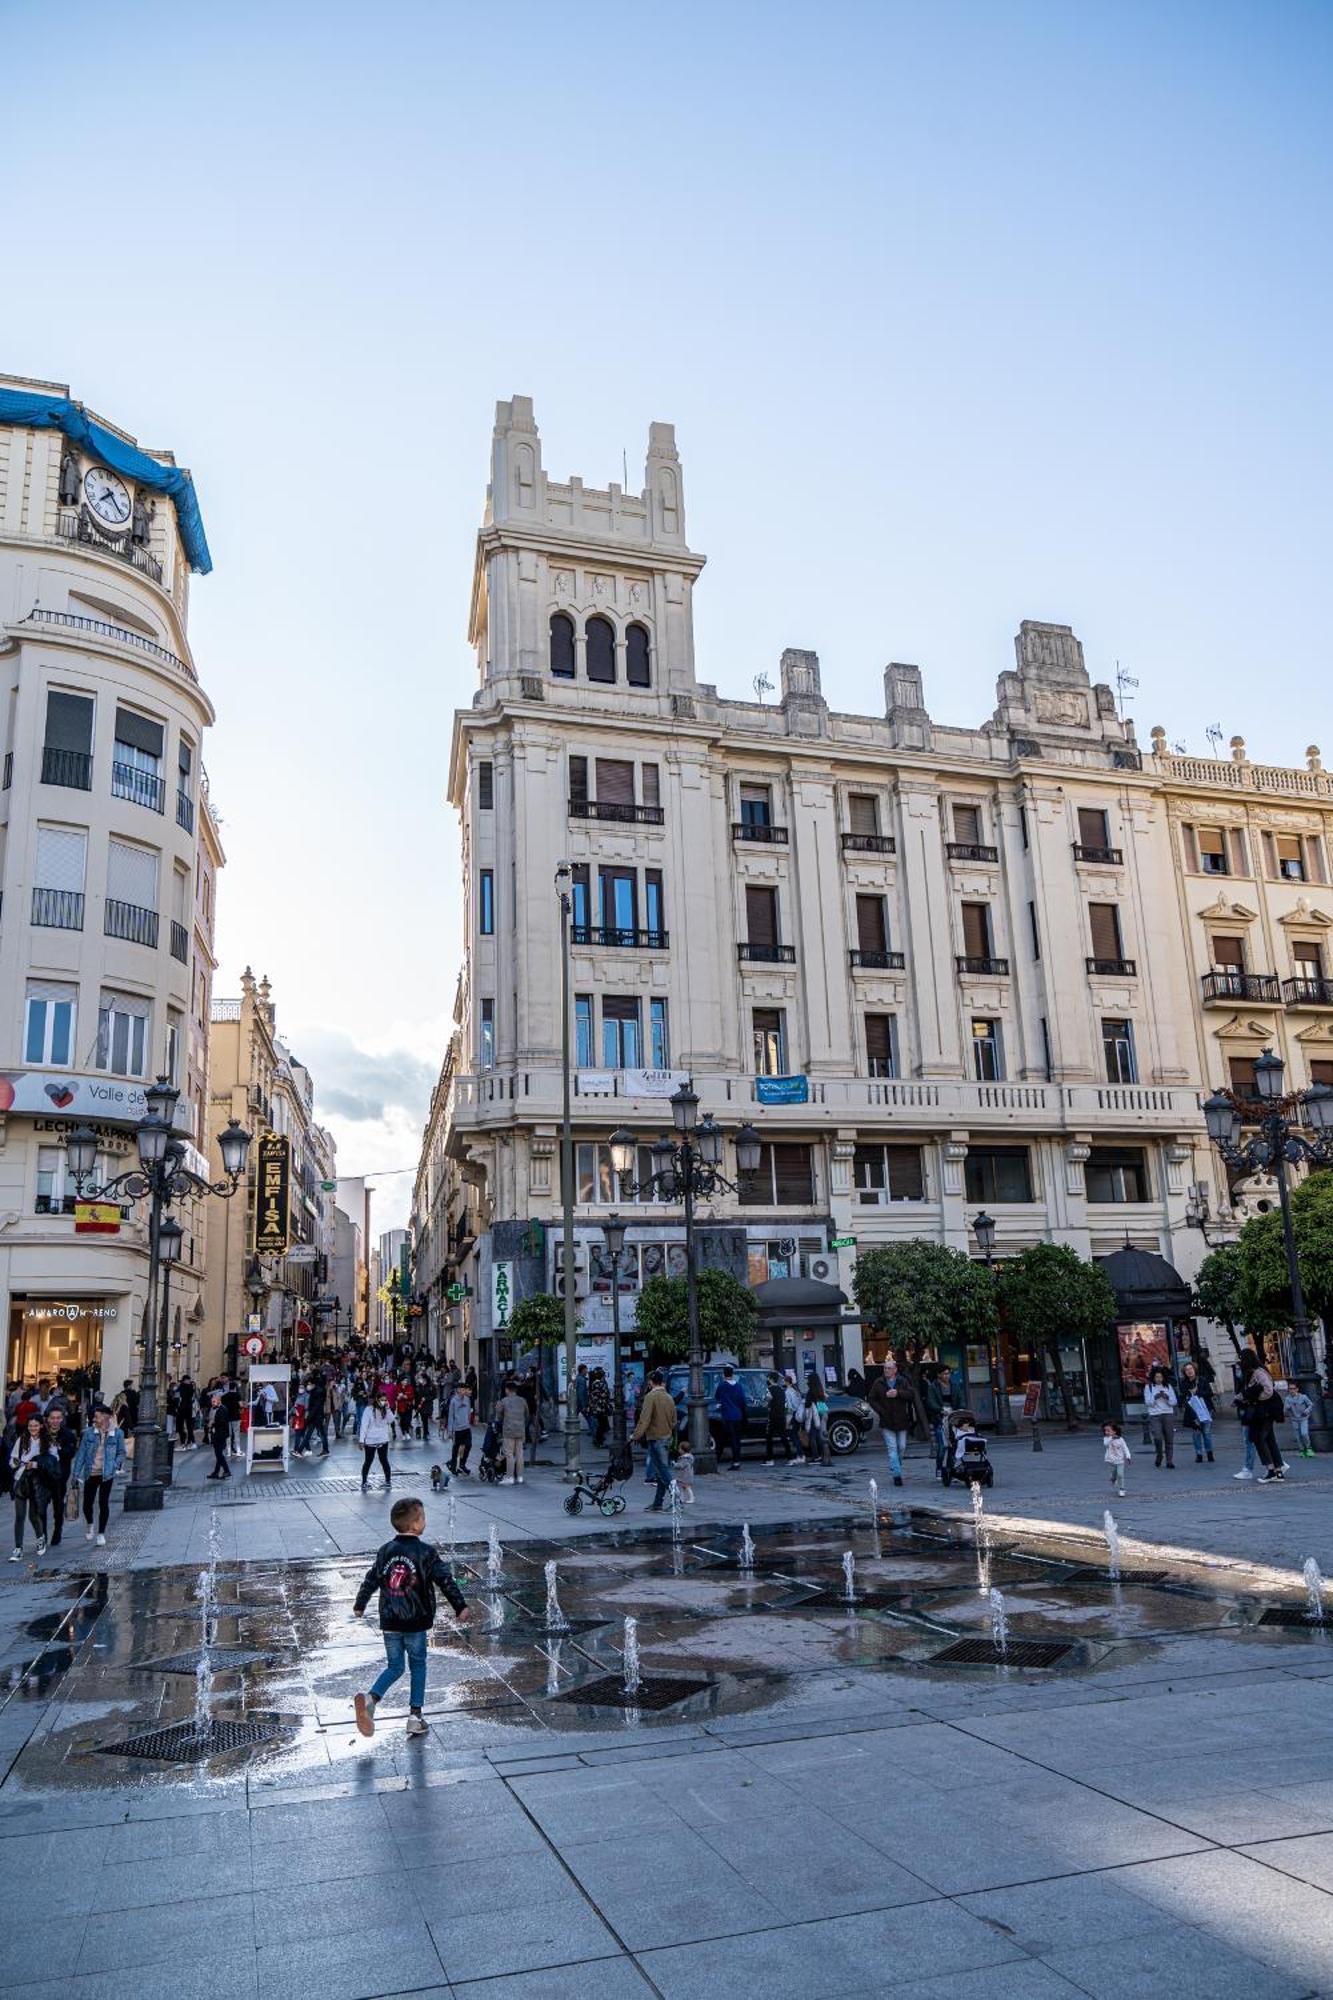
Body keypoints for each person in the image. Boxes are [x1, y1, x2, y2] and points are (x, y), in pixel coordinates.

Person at [352, 1495, 470, 1737]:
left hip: (390, 1621)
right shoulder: (426, 1553)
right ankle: (415, 1717)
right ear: (416, 1525)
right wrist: (460, 1606)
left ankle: (371, 1699)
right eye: (423, 1517)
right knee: (417, 1666)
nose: (425, 1521)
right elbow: (445, 1580)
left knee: (395, 1666)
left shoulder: (386, 1550)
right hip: (415, 1622)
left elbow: (371, 1578)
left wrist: (360, 1603)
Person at [71, 1406, 129, 1544]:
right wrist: (75, 1474)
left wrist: (115, 1465)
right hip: (91, 1472)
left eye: (96, 1416)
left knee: (104, 1503)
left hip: (106, 1473)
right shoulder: (89, 1433)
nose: (94, 1419)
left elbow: (121, 1452)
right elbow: (81, 1454)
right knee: (87, 1504)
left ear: (106, 1416)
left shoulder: (117, 1433)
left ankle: (101, 1533)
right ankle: (90, 1524)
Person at [9, 1415, 60, 1558]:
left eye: (36, 1426)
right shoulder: (22, 1439)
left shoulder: (49, 1441)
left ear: (41, 1426)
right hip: (21, 1479)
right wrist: (15, 1462)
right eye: (30, 1426)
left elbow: (54, 1462)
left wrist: (35, 1464)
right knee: (19, 1516)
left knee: (33, 1515)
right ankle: (18, 1548)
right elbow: (12, 1461)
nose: (33, 1428)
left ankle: (40, 1538)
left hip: (38, 1482)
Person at [633, 1369, 678, 1510]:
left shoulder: (650, 1397)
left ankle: (676, 1500)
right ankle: (658, 1502)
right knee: (660, 1470)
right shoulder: (669, 1397)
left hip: (655, 1437)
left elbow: (644, 1419)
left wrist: (636, 1435)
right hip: (666, 1437)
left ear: (651, 1382)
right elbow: (674, 1420)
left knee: (663, 1471)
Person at [868, 1360, 913, 1486]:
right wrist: (881, 1411)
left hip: (901, 1419)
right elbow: (871, 1399)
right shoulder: (879, 1382)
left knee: (902, 1446)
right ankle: (897, 1475)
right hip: (886, 1420)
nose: (886, 1370)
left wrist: (898, 1393)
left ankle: (895, 1466)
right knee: (892, 1448)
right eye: (885, 1368)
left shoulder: (902, 1381)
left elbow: (911, 1394)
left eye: (889, 1368)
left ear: (895, 1370)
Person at [1240, 1355, 1285, 1482]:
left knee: (1259, 1439)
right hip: (1266, 1412)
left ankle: (1271, 1470)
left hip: (1263, 1412)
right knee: (1270, 1440)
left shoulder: (1258, 1373)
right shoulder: (1259, 1371)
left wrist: (1256, 1399)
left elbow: (1268, 1390)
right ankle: (1278, 1471)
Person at [43, 1405, 76, 1546]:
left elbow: (70, 1454)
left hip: (60, 1475)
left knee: (58, 1505)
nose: (55, 1421)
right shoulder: (41, 1434)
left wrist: (60, 1449)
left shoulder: (68, 1435)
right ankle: (42, 1534)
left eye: (58, 1418)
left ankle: (57, 1530)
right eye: (53, 1418)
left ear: (62, 1419)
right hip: (43, 1475)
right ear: (48, 1420)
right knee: (40, 1506)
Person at [1179, 1362, 1215, 1464]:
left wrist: (1197, 1393)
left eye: (1191, 1369)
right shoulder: (1184, 1383)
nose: (1189, 1371)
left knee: (1206, 1432)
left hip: (1205, 1409)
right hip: (1193, 1411)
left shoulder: (1202, 1380)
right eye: (1187, 1370)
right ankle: (1199, 1454)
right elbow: (1183, 1398)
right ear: (1184, 1372)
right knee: (1196, 1433)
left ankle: (1209, 1453)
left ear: (1194, 1369)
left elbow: (1210, 1393)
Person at [496, 1378, 529, 1484]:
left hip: (509, 1430)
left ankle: (510, 1477)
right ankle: (520, 1477)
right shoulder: (523, 1400)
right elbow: (527, 1415)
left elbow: (499, 1416)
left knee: (509, 1454)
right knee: (520, 1454)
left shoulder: (503, 1401)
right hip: (521, 1430)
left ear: (507, 1390)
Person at [1144, 1367, 1177, 1468]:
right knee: (1157, 1437)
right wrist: (1155, 1397)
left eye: (1161, 1377)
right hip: (1155, 1415)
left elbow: (1174, 1402)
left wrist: (1167, 1398)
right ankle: (1159, 1455)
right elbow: (1148, 1402)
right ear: (1153, 1377)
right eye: (1157, 1377)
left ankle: (1169, 1461)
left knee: (1169, 1438)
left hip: (1167, 1413)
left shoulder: (1168, 1387)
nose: (1159, 1379)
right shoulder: (1148, 1387)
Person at [359, 1394, 394, 1492]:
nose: (383, 1401)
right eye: (381, 1400)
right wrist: (361, 1440)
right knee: (368, 1461)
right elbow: (364, 1425)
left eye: (385, 1400)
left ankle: (388, 1481)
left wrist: (388, 1408)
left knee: (384, 1460)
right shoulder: (368, 1410)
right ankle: (364, 1482)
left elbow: (391, 1420)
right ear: (377, 1400)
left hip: (383, 1439)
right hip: (371, 1439)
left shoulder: (385, 1410)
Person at [921, 1365, 949, 1478]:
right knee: (942, 1447)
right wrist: (940, 1410)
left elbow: (960, 1399)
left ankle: (949, 1470)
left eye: (948, 1373)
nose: (947, 1376)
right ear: (939, 1375)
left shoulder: (954, 1386)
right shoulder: (933, 1387)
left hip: (953, 1417)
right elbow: (931, 1403)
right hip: (940, 1418)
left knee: (953, 1447)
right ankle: (939, 1468)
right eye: (945, 1373)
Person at [716, 1366, 746, 1469]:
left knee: (723, 1438)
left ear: (724, 1375)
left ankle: (717, 1458)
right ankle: (736, 1461)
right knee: (736, 1439)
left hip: (727, 1415)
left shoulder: (722, 1385)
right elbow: (742, 1400)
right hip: (737, 1415)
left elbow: (717, 1396)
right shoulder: (738, 1386)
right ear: (732, 1374)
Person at [763, 1372, 793, 1463]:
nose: (767, 1379)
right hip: (781, 1416)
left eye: (768, 1378)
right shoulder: (781, 1389)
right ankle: (790, 1458)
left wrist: (763, 1403)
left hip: (772, 1416)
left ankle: (770, 1459)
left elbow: (765, 1403)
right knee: (783, 1437)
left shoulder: (769, 1389)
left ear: (771, 1379)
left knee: (769, 1437)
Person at [446, 1381, 474, 1475]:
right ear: (458, 1390)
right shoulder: (453, 1401)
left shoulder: (467, 1399)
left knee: (468, 1445)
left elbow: (469, 1413)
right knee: (456, 1448)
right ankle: (453, 1466)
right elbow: (451, 1416)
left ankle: (462, 1464)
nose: (463, 1391)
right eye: (461, 1389)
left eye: (464, 1389)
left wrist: (468, 1422)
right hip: (457, 1428)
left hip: (466, 1427)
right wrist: (450, 1430)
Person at [1283, 1381, 1316, 1460]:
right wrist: (1287, 1408)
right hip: (1294, 1419)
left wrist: (1307, 1410)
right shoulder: (1287, 1399)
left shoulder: (1303, 1397)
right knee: (1298, 1436)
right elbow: (1284, 1411)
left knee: (1304, 1433)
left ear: (1297, 1389)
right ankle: (1301, 1449)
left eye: (1293, 1389)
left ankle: (1308, 1448)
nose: (1292, 1390)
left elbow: (1310, 1404)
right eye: (1290, 1389)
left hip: (1303, 1418)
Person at [204, 1393, 232, 1479]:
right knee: (218, 1454)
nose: (212, 1403)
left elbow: (221, 1422)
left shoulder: (223, 1409)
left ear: (219, 1401)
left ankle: (227, 1471)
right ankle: (216, 1472)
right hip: (215, 1433)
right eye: (212, 1401)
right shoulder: (212, 1409)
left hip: (221, 1434)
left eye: (214, 1401)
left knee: (219, 1453)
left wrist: (212, 1424)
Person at [1104, 1421, 1131, 1496]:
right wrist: (1111, 1438)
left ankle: (1122, 1489)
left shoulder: (1121, 1439)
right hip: (1110, 1460)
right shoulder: (1106, 1438)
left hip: (1120, 1461)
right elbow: (1105, 1444)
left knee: (1120, 1474)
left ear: (1114, 1431)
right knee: (1113, 1474)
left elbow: (1125, 1448)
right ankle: (1113, 1479)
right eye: (1105, 1430)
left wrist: (1128, 1456)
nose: (1106, 1432)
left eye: (1108, 1431)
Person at [587, 1367, 611, 1448]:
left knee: (602, 1425)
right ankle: (599, 1441)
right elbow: (603, 1395)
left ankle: (598, 1440)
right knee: (602, 1425)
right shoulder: (599, 1384)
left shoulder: (594, 1383)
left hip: (598, 1407)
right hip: (600, 1408)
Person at [575, 1363, 591, 1435]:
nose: (587, 1371)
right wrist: (584, 1404)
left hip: (577, 1402)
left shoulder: (578, 1378)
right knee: (588, 1417)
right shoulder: (582, 1380)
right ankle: (592, 1430)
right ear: (582, 1370)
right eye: (586, 1370)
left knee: (575, 1416)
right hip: (581, 1402)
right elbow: (581, 1393)